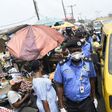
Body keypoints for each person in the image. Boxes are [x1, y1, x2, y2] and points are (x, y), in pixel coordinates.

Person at [54, 40, 97, 112]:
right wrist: (61, 105)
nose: (76, 53)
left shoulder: (88, 63)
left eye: (78, 50)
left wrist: (94, 97)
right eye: (73, 51)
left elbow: (92, 79)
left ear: (81, 50)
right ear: (69, 51)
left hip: (86, 102)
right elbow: (59, 85)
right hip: (70, 104)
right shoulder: (62, 65)